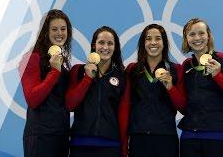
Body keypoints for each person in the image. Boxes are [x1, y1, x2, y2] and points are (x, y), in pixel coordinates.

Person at [120, 24, 186, 157]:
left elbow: (183, 108)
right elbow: (125, 107)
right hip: (139, 138)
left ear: (164, 43)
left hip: (166, 138)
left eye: (158, 38)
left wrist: (171, 88)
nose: (153, 42)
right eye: (148, 39)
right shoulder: (132, 70)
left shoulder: (176, 69)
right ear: (143, 43)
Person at [65, 26, 127, 157]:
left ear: (115, 47)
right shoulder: (78, 71)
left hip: (111, 146)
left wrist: (124, 149)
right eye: (101, 42)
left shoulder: (122, 76)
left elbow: (123, 115)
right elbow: (70, 105)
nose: (105, 47)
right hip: (80, 145)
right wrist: (87, 78)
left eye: (110, 43)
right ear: (94, 45)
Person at [19, 9, 72, 157]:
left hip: (61, 134)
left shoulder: (63, 61)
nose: (59, 33)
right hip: (40, 135)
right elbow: (32, 99)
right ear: (45, 32)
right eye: (54, 29)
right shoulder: (32, 57)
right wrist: (54, 72)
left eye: (63, 29)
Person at [178, 18, 223, 157]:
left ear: (208, 36)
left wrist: (217, 75)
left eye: (201, 33)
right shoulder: (186, 65)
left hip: (217, 135)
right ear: (186, 38)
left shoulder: (221, 59)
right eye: (192, 34)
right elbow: (182, 105)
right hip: (190, 136)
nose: (197, 38)